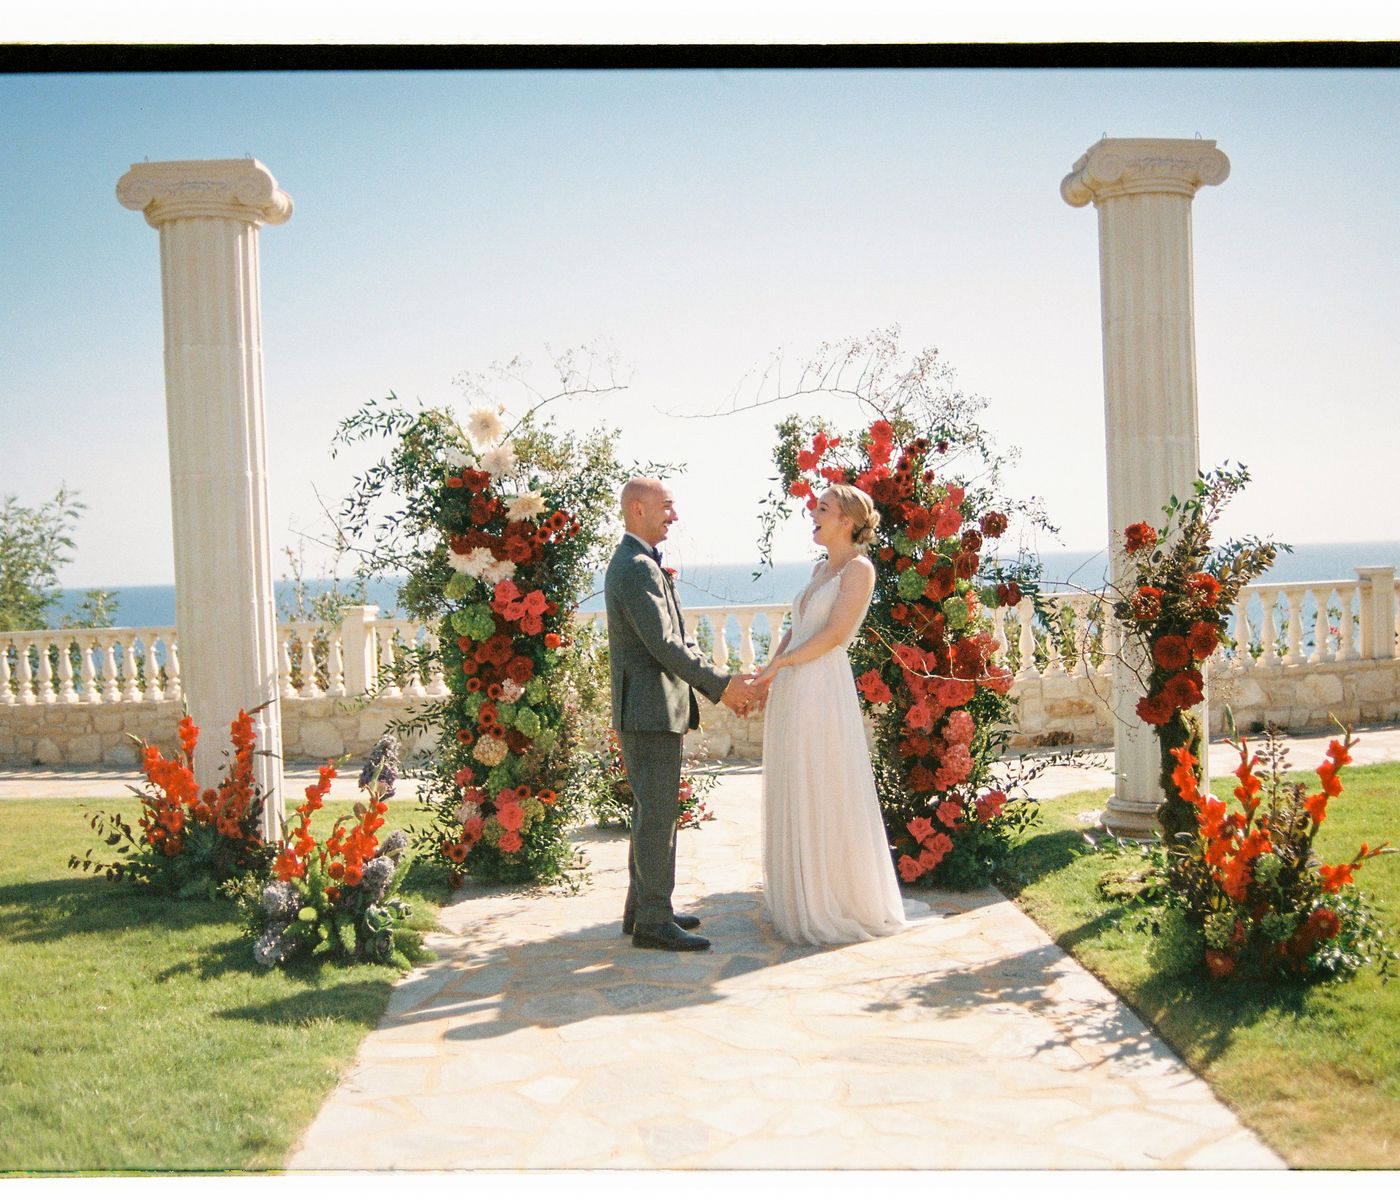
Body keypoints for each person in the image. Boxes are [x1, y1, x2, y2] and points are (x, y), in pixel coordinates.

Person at [604, 477, 760, 951]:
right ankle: (652, 920)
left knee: (653, 811)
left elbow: (679, 637)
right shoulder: (635, 567)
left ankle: (644, 909)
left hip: (652, 709)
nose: (674, 516)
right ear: (637, 509)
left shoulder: (640, 563)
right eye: (666, 507)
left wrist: (721, 678)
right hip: (648, 710)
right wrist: (721, 687)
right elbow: (663, 644)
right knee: (658, 814)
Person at [752, 483, 909, 944]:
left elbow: (836, 634)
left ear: (847, 521)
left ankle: (835, 899)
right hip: (795, 685)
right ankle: (801, 895)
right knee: (798, 781)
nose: (813, 513)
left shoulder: (858, 570)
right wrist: (771, 670)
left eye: (823, 508)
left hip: (822, 686)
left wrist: (786, 662)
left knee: (825, 782)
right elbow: (798, 628)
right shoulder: (821, 567)